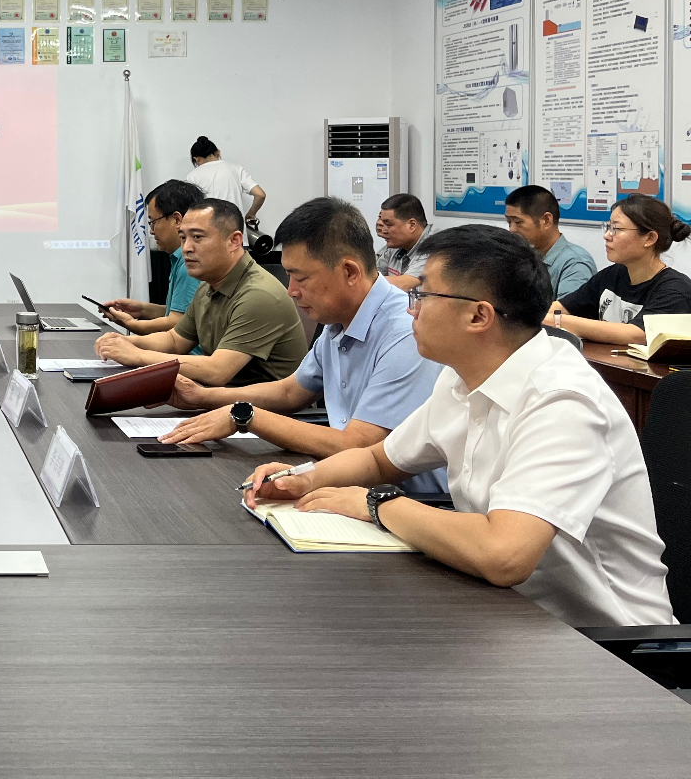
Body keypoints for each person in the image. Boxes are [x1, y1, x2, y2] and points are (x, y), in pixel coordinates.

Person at [245, 224, 673, 628]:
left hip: (605, 646)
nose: (411, 309)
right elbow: (379, 460)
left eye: (422, 295)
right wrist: (304, 478)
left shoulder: (563, 401)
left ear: (478, 316)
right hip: (501, 612)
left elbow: (504, 555)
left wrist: (376, 504)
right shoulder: (461, 376)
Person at [158, 198, 445, 494]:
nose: (291, 291)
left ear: (350, 272)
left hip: (411, 501)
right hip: (349, 485)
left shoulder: (405, 332)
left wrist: (245, 416)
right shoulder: (339, 320)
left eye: (301, 278)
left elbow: (359, 444)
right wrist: (202, 396)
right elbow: (290, 391)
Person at [93, 198, 305, 387]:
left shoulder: (258, 294)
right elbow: (175, 341)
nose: (186, 247)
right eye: (183, 238)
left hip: (263, 411)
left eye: (197, 237)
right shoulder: (207, 286)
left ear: (234, 241)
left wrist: (137, 355)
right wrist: (124, 343)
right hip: (223, 400)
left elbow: (217, 371)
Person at [545, 194, 691, 346]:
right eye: (608, 227)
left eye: (616, 229)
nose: (606, 236)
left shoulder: (676, 289)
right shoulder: (612, 275)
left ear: (649, 238)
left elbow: (636, 334)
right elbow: (563, 307)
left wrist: (558, 321)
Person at [103, 179, 204, 335]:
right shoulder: (180, 258)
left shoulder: (190, 262)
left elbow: (178, 323)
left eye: (152, 222)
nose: (151, 231)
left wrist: (130, 324)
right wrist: (142, 310)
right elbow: (181, 314)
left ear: (177, 220)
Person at [185, 136, 265, 223]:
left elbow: (189, 206)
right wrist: (251, 214)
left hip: (208, 227)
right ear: (218, 153)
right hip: (235, 226)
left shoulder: (192, 176)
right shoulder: (236, 169)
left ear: (196, 159)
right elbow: (260, 195)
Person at [375, 193, 431, 291]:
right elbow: (374, 274)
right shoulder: (396, 245)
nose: (383, 230)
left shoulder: (435, 247)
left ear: (412, 225)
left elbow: (404, 284)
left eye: (388, 224)